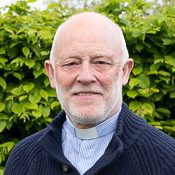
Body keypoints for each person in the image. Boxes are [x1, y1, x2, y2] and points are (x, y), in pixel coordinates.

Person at [4, 12, 175, 175]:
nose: (85, 77)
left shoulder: (167, 159)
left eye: (101, 62)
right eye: (71, 63)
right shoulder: (23, 159)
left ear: (125, 72)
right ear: (52, 74)